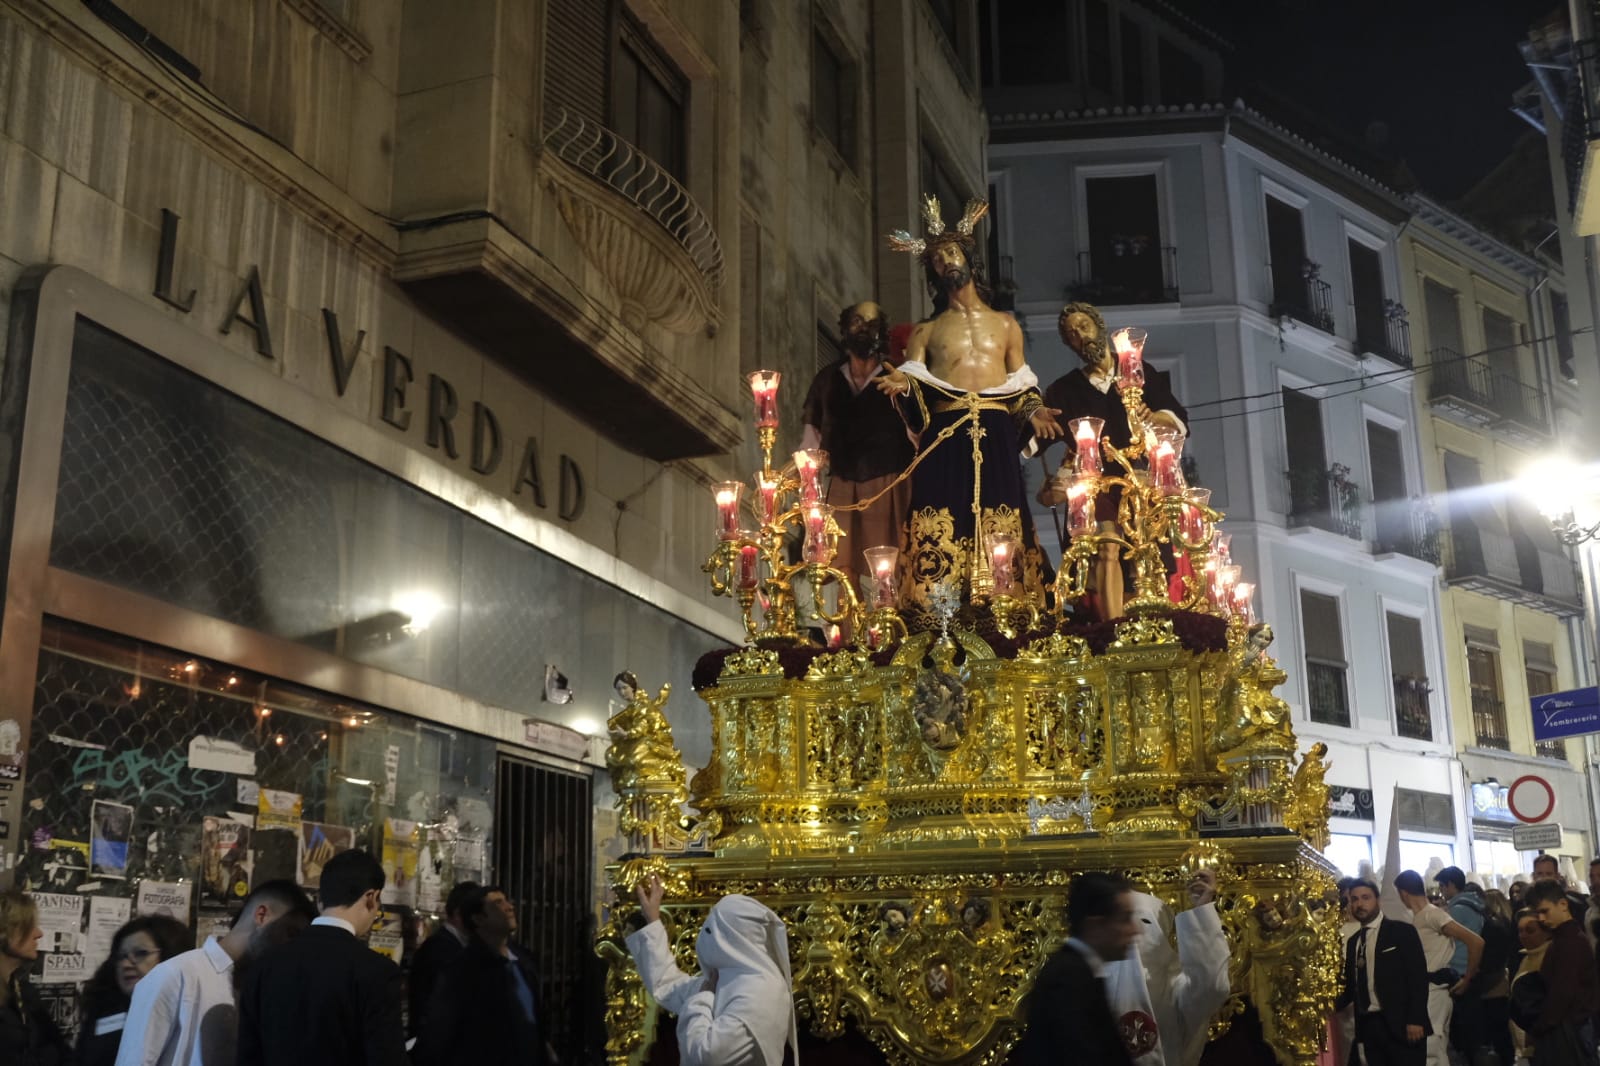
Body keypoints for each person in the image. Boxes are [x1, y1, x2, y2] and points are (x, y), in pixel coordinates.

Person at [879, 196, 1063, 624]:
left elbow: (1020, 381)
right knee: (941, 511)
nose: (946, 262)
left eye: (952, 253)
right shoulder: (926, 330)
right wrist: (902, 384)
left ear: (968, 259)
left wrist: (1034, 412)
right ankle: (935, 608)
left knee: (1003, 511)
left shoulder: (1005, 324)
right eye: (938, 259)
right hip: (947, 428)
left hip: (996, 429)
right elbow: (916, 379)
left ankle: (1008, 603)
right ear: (932, 272)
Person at [1039, 302, 1189, 620]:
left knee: (1144, 553)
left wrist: (1155, 415)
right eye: (1072, 334)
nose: (1080, 336)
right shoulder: (1064, 390)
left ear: (1099, 326)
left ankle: (1148, 622)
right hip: (1095, 485)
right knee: (1106, 545)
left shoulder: (1139, 374)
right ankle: (1112, 626)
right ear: (1070, 345)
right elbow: (1036, 438)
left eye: (1084, 326)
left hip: (1139, 481)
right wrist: (1031, 415)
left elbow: (1176, 418)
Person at [116, 880, 314, 1066]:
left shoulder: (263, 990)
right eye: (291, 933)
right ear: (261, 915)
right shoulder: (175, 974)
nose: (293, 946)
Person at [236, 849, 405, 1066]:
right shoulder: (377, 972)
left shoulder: (265, 965)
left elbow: (248, 1056)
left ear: (319, 901)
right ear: (371, 898)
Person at [625, 875, 796, 1066]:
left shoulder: (761, 993)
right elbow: (668, 985)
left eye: (710, 930)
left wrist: (702, 999)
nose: (703, 937)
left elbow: (704, 1057)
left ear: (730, 939)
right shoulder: (725, 977)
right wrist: (653, 920)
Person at [800, 301, 915, 583]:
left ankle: (891, 625)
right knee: (842, 568)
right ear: (845, 328)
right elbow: (809, 441)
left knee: (890, 566)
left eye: (872, 324)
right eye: (857, 323)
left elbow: (918, 434)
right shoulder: (827, 379)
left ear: (883, 332)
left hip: (889, 481)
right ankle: (846, 627)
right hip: (843, 479)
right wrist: (807, 490)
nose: (864, 330)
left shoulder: (898, 379)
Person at [1102, 869, 1231, 1066]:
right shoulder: (1093, 976)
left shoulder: (1176, 984)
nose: (1134, 929)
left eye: (1144, 920)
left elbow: (1212, 986)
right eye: (1124, 920)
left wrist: (1201, 910)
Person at [414, 886, 554, 1066]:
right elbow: (438, 1037)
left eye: (506, 900)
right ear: (478, 918)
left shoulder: (522, 964)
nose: (509, 907)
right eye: (497, 903)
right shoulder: (462, 971)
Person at [1012, 871, 1140, 1066]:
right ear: (1096, 925)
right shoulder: (1066, 980)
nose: (1135, 929)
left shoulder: (1081, 970)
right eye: (1125, 919)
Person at [77, 915, 191, 1066]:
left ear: (171, 956)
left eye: (140, 953)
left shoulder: (190, 1011)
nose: (126, 964)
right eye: (121, 956)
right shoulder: (103, 1008)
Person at [1395, 870, 1482, 1066]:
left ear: (1403, 893)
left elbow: (1475, 942)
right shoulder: (1422, 916)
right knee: (1433, 1049)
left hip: (1433, 991)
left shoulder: (1432, 915)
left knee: (1431, 1049)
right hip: (1427, 990)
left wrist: (1468, 978)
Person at [1337, 878, 1428, 1066]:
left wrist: (1416, 1019)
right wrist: (1322, 1005)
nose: (1359, 904)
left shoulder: (1402, 932)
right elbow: (1350, 987)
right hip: (1369, 1026)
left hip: (1402, 1023)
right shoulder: (1354, 941)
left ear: (1378, 901)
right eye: (1354, 899)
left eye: (1365, 898)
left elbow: (1417, 978)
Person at [1523, 879, 1598, 1064]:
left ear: (1563, 904)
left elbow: (1562, 993)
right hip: (1571, 1027)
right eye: (1537, 913)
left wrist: (1540, 1027)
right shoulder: (1566, 938)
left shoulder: (1569, 943)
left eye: (1545, 911)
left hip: (1569, 1030)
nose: (1541, 919)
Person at [0, 889, 69, 1065]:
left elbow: (60, 1049)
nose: (39, 933)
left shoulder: (24, 992)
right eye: (29, 925)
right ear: (4, 932)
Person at [406, 881, 478, 1040]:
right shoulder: (442, 951)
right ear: (459, 914)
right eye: (476, 913)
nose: (480, 920)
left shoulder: (451, 947)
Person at [1431, 867, 1486, 1060]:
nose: (1441, 892)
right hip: (1471, 969)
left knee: (1463, 1033)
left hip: (1461, 973)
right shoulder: (1474, 905)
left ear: (1451, 885)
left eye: (1442, 886)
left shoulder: (1457, 910)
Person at [1475, 889, 1516, 1066]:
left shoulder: (1490, 927)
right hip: (1503, 980)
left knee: (1496, 1029)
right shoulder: (1507, 923)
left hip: (1493, 982)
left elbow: (1490, 958)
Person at [1510, 909, 1552, 1062]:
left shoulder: (1549, 957)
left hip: (1544, 1041)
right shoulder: (1527, 957)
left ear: (1546, 932)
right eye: (1520, 931)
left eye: (1530, 930)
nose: (1523, 935)